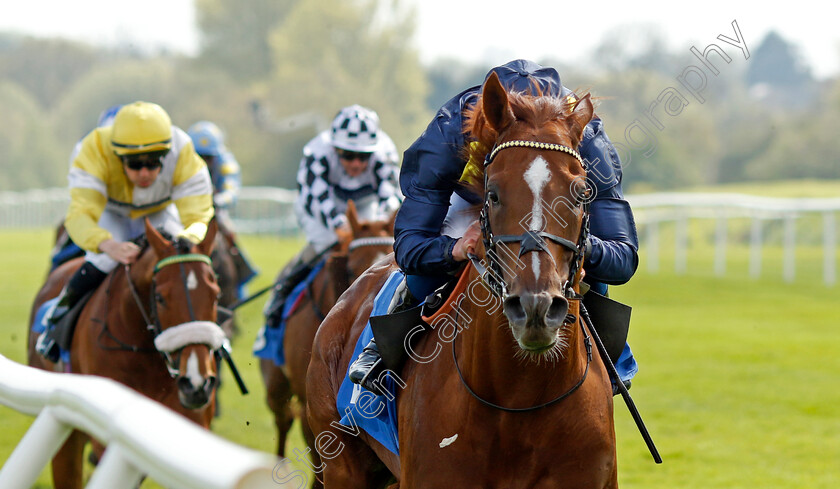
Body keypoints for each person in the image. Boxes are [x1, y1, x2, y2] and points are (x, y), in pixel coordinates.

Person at [348, 59, 640, 395]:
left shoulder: (587, 140)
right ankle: (386, 344)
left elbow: (623, 258)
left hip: (548, 197)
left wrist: (581, 248)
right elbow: (410, 247)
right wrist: (454, 248)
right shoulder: (449, 131)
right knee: (425, 273)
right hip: (475, 193)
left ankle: (610, 356)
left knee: (589, 266)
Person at [36, 101, 215, 362]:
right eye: (134, 163)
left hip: (160, 211)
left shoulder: (183, 149)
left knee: (186, 263)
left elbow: (199, 212)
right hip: (112, 212)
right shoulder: (93, 148)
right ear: (117, 156)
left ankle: (210, 336)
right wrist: (108, 244)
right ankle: (57, 322)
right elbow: (80, 215)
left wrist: (188, 239)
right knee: (103, 259)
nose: (144, 172)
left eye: (154, 163)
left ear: (166, 153)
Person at [262, 104, 402, 327]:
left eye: (363, 156)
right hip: (319, 209)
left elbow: (390, 195)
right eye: (349, 155)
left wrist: (381, 224)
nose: (357, 163)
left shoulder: (384, 151)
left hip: (366, 207)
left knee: (380, 245)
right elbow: (316, 198)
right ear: (335, 149)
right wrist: (339, 224)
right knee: (324, 243)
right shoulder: (316, 153)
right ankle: (280, 296)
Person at [187, 121, 258, 288]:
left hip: (215, 212)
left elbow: (231, 191)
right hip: (187, 211)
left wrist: (217, 201)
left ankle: (240, 284)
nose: (203, 163)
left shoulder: (227, 162)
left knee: (230, 238)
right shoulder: (181, 162)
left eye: (208, 158)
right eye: (199, 157)